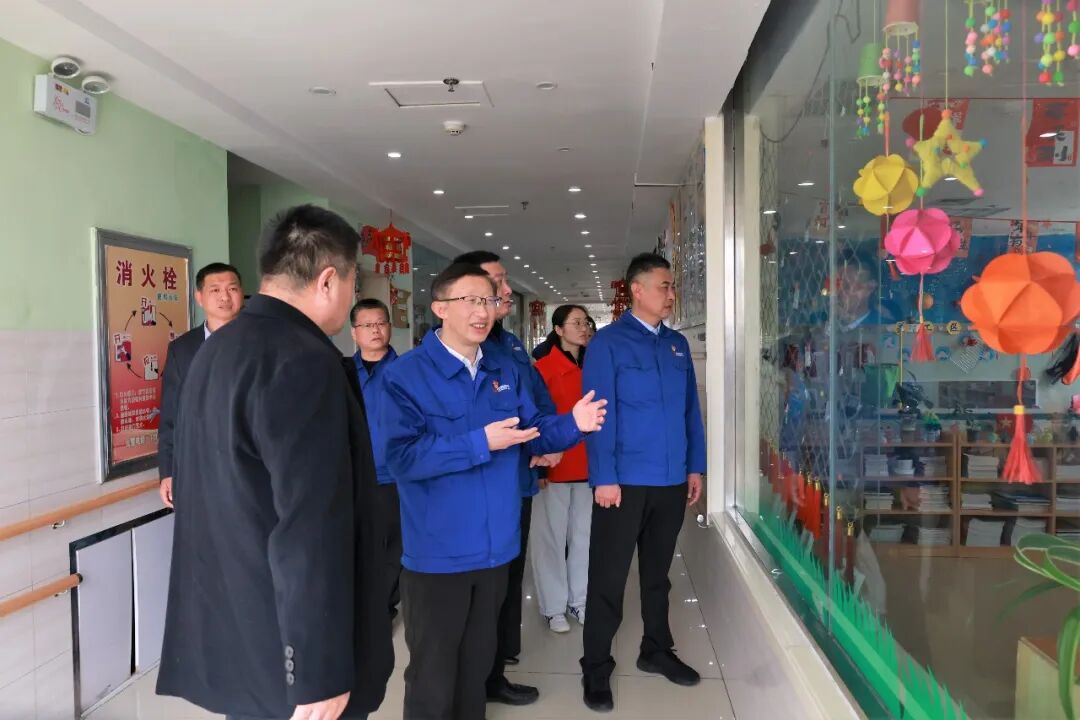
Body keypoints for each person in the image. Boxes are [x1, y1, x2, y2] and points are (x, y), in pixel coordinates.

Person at [157, 205, 393, 720]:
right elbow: (309, 524)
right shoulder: (302, 359)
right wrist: (318, 670)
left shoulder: (215, 350)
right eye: (352, 284)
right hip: (293, 654)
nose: (351, 297)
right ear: (328, 280)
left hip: (242, 637)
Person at [381, 262, 607, 720]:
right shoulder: (405, 375)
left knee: (477, 667)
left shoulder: (504, 368)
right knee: (432, 676)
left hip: (496, 550)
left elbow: (534, 431)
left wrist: (573, 425)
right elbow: (400, 458)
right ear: (440, 308)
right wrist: (479, 443)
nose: (482, 311)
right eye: (470, 300)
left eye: (488, 300)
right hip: (439, 556)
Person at [579, 253, 706, 712]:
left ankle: (656, 649)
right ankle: (596, 666)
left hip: (669, 482)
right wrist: (604, 477)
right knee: (608, 578)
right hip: (623, 484)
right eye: (664, 286)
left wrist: (694, 467)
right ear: (637, 290)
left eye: (672, 287)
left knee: (657, 576)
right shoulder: (608, 344)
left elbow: (690, 411)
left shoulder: (676, 345)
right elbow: (597, 416)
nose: (671, 294)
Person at [452, 250, 557, 707]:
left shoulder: (510, 345)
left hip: (517, 482)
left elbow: (538, 401)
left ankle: (494, 672)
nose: (507, 291)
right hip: (477, 489)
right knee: (476, 589)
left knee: (509, 579)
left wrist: (547, 440)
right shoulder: (460, 353)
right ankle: (472, 681)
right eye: (497, 282)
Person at [157, 262, 243, 508]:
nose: (225, 297)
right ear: (199, 297)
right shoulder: (182, 349)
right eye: (215, 290)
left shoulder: (264, 340)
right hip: (200, 469)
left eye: (232, 289)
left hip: (251, 467)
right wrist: (168, 471)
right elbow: (171, 415)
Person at [531, 305, 593, 633]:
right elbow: (535, 420)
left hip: (589, 465)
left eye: (586, 322)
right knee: (551, 540)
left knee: (584, 538)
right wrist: (539, 468)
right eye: (576, 323)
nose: (583, 328)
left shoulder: (596, 365)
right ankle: (554, 607)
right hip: (553, 465)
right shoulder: (541, 368)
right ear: (558, 330)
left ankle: (579, 600)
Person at [350, 298, 401, 619]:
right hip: (354, 473)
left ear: (390, 328)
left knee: (393, 544)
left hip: (395, 473)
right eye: (367, 325)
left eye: (381, 323)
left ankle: (385, 606)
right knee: (359, 542)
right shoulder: (342, 372)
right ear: (354, 332)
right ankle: (365, 602)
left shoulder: (408, 370)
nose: (375, 330)